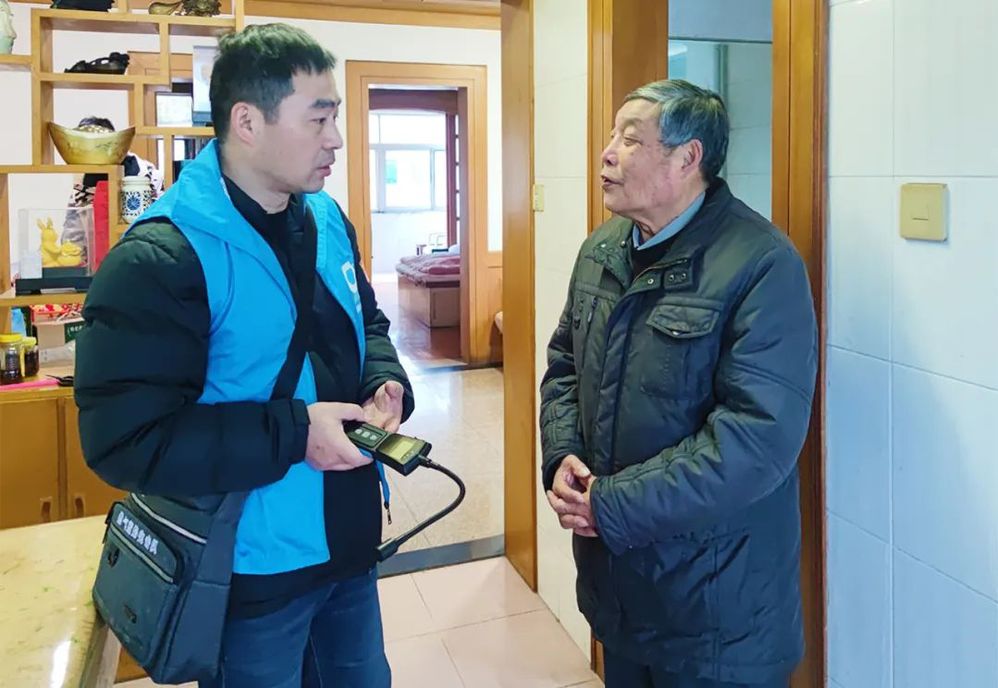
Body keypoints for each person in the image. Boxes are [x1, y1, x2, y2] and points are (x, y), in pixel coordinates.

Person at [74, 24, 412, 688]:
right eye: (318, 119)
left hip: (349, 543)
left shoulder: (327, 220)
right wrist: (295, 435)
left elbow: (365, 321)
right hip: (250, 572)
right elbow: (125, 442)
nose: (336, 139)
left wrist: (383, 378)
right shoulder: (163, 255)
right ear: (248, 122)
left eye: (335, 118)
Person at [539, 79, 817, 688]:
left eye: (630, 139)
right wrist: (561, 455)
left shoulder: (762, 265)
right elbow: (564, 364)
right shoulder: (601, 249)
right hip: (620, 592)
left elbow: (756, 441)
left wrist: (611, 505)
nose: (607, 152)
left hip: (716, 611)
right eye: (613, 135)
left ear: (688, 158)